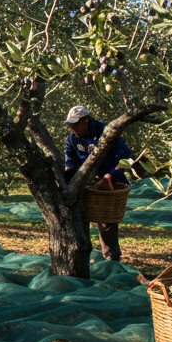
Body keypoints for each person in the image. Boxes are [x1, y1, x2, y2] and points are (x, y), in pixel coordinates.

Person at [63, 104, 133, 261]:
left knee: (106, 220)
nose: (72, 127)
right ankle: (81, 256)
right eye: (70, 124)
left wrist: (111, 174)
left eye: (75, 124)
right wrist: (67, 176)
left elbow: (126, 158)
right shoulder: (72, 139)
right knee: (79, 219)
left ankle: (111, 258)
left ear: (86, 121)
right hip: (85, 185)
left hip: (109, 183)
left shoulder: (107, 133)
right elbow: (70, 162)